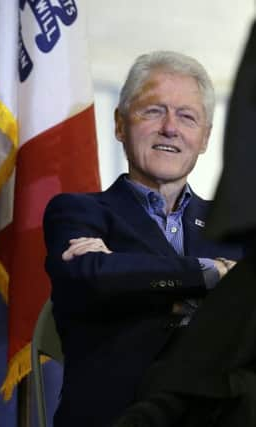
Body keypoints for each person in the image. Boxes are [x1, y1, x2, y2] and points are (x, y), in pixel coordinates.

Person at [42, 51, 244, 427]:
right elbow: (92, 274)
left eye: (187, 116)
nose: (170, 128)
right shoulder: (76, 211)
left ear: (204, 138)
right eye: (153, 111)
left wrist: (129, 275)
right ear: (120, 124)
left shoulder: (234, 227)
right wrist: (211, 275)